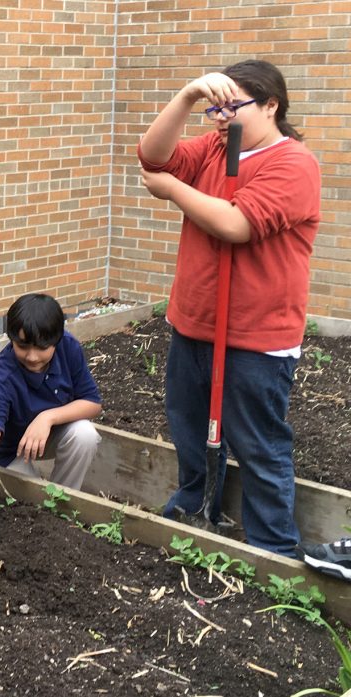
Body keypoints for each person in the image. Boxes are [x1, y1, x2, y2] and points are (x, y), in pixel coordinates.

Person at [137, 60, 320, 558]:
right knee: (191, 432)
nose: (219, 118)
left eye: (231, 107)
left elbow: (236, 224)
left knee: (259, 445)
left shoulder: (294, 164)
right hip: (194, 321)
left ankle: (273, 550)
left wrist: (174, 189)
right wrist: (187, 94)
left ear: (271, 106)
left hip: (256, 337)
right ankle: (195, 510)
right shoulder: (217, 147)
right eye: (214, 108)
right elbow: (153, 156)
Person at [0, 294, 102, 499]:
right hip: (5, 451)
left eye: (42, 347)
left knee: (84, 434)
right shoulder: (2, 375)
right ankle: (47, 503)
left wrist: (47, 418)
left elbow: (92, 403)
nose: (32, 356)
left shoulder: (68, 348)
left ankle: (63, 500)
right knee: (33, 499)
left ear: (56, 339)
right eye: (23, 346)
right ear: (11, 338)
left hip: (45, 435)